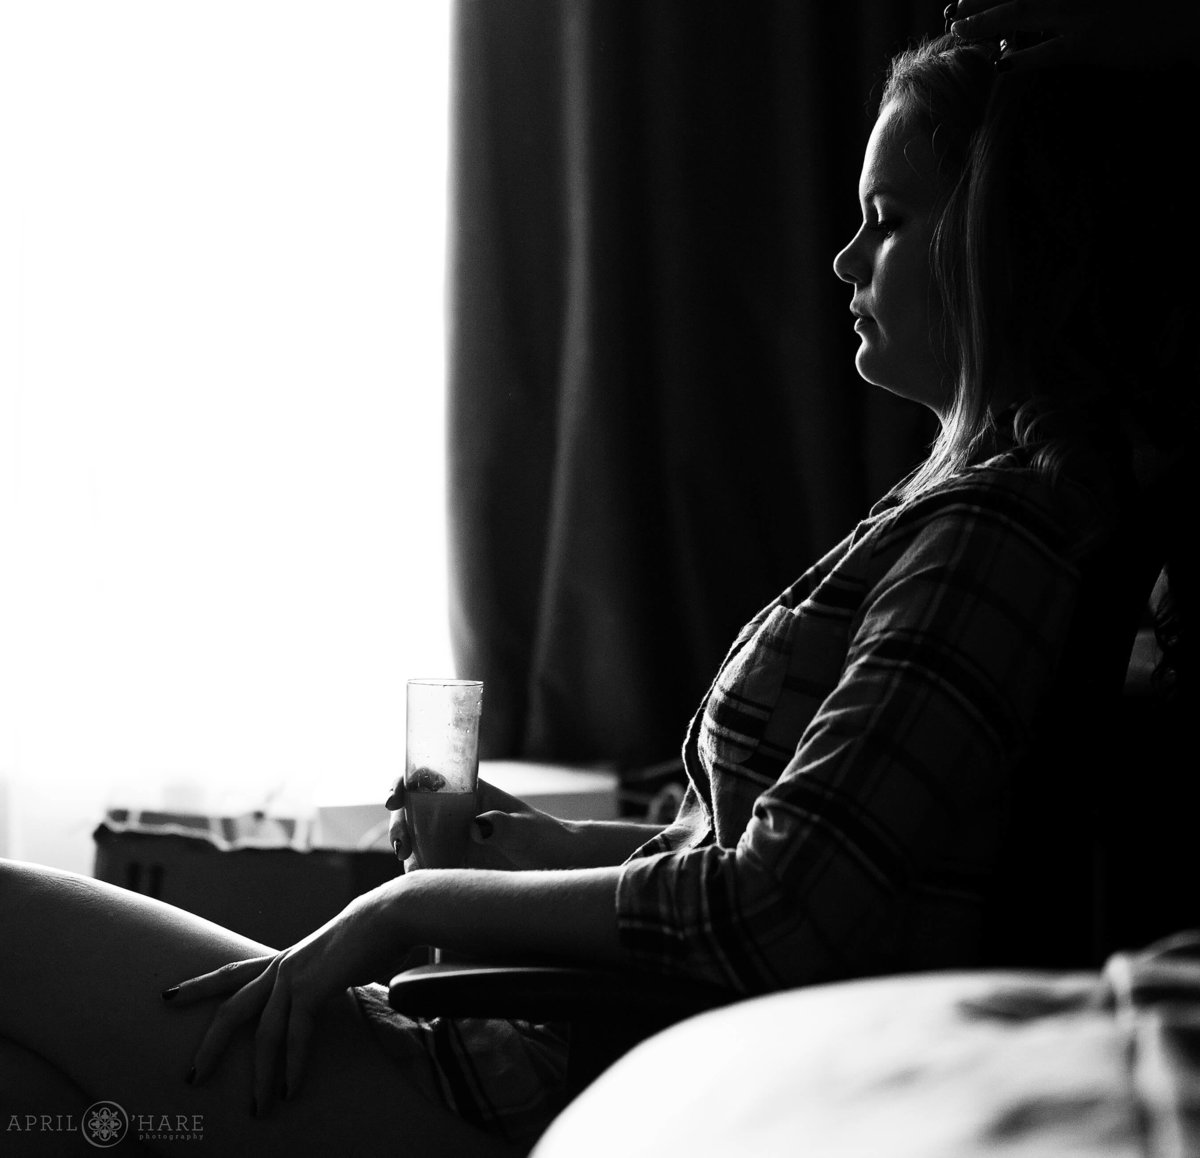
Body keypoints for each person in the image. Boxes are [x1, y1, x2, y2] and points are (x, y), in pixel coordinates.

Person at [2, 11, 1194, 1156]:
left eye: (886, 218)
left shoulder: (992, 535)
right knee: (30, 1093)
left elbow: (772, 914)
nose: (843, 256)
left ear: (995, 244)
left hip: (526, 1089)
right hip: (540, 1048)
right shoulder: (961, 516)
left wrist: (405, 909)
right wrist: (533, 848)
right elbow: (758, 852)